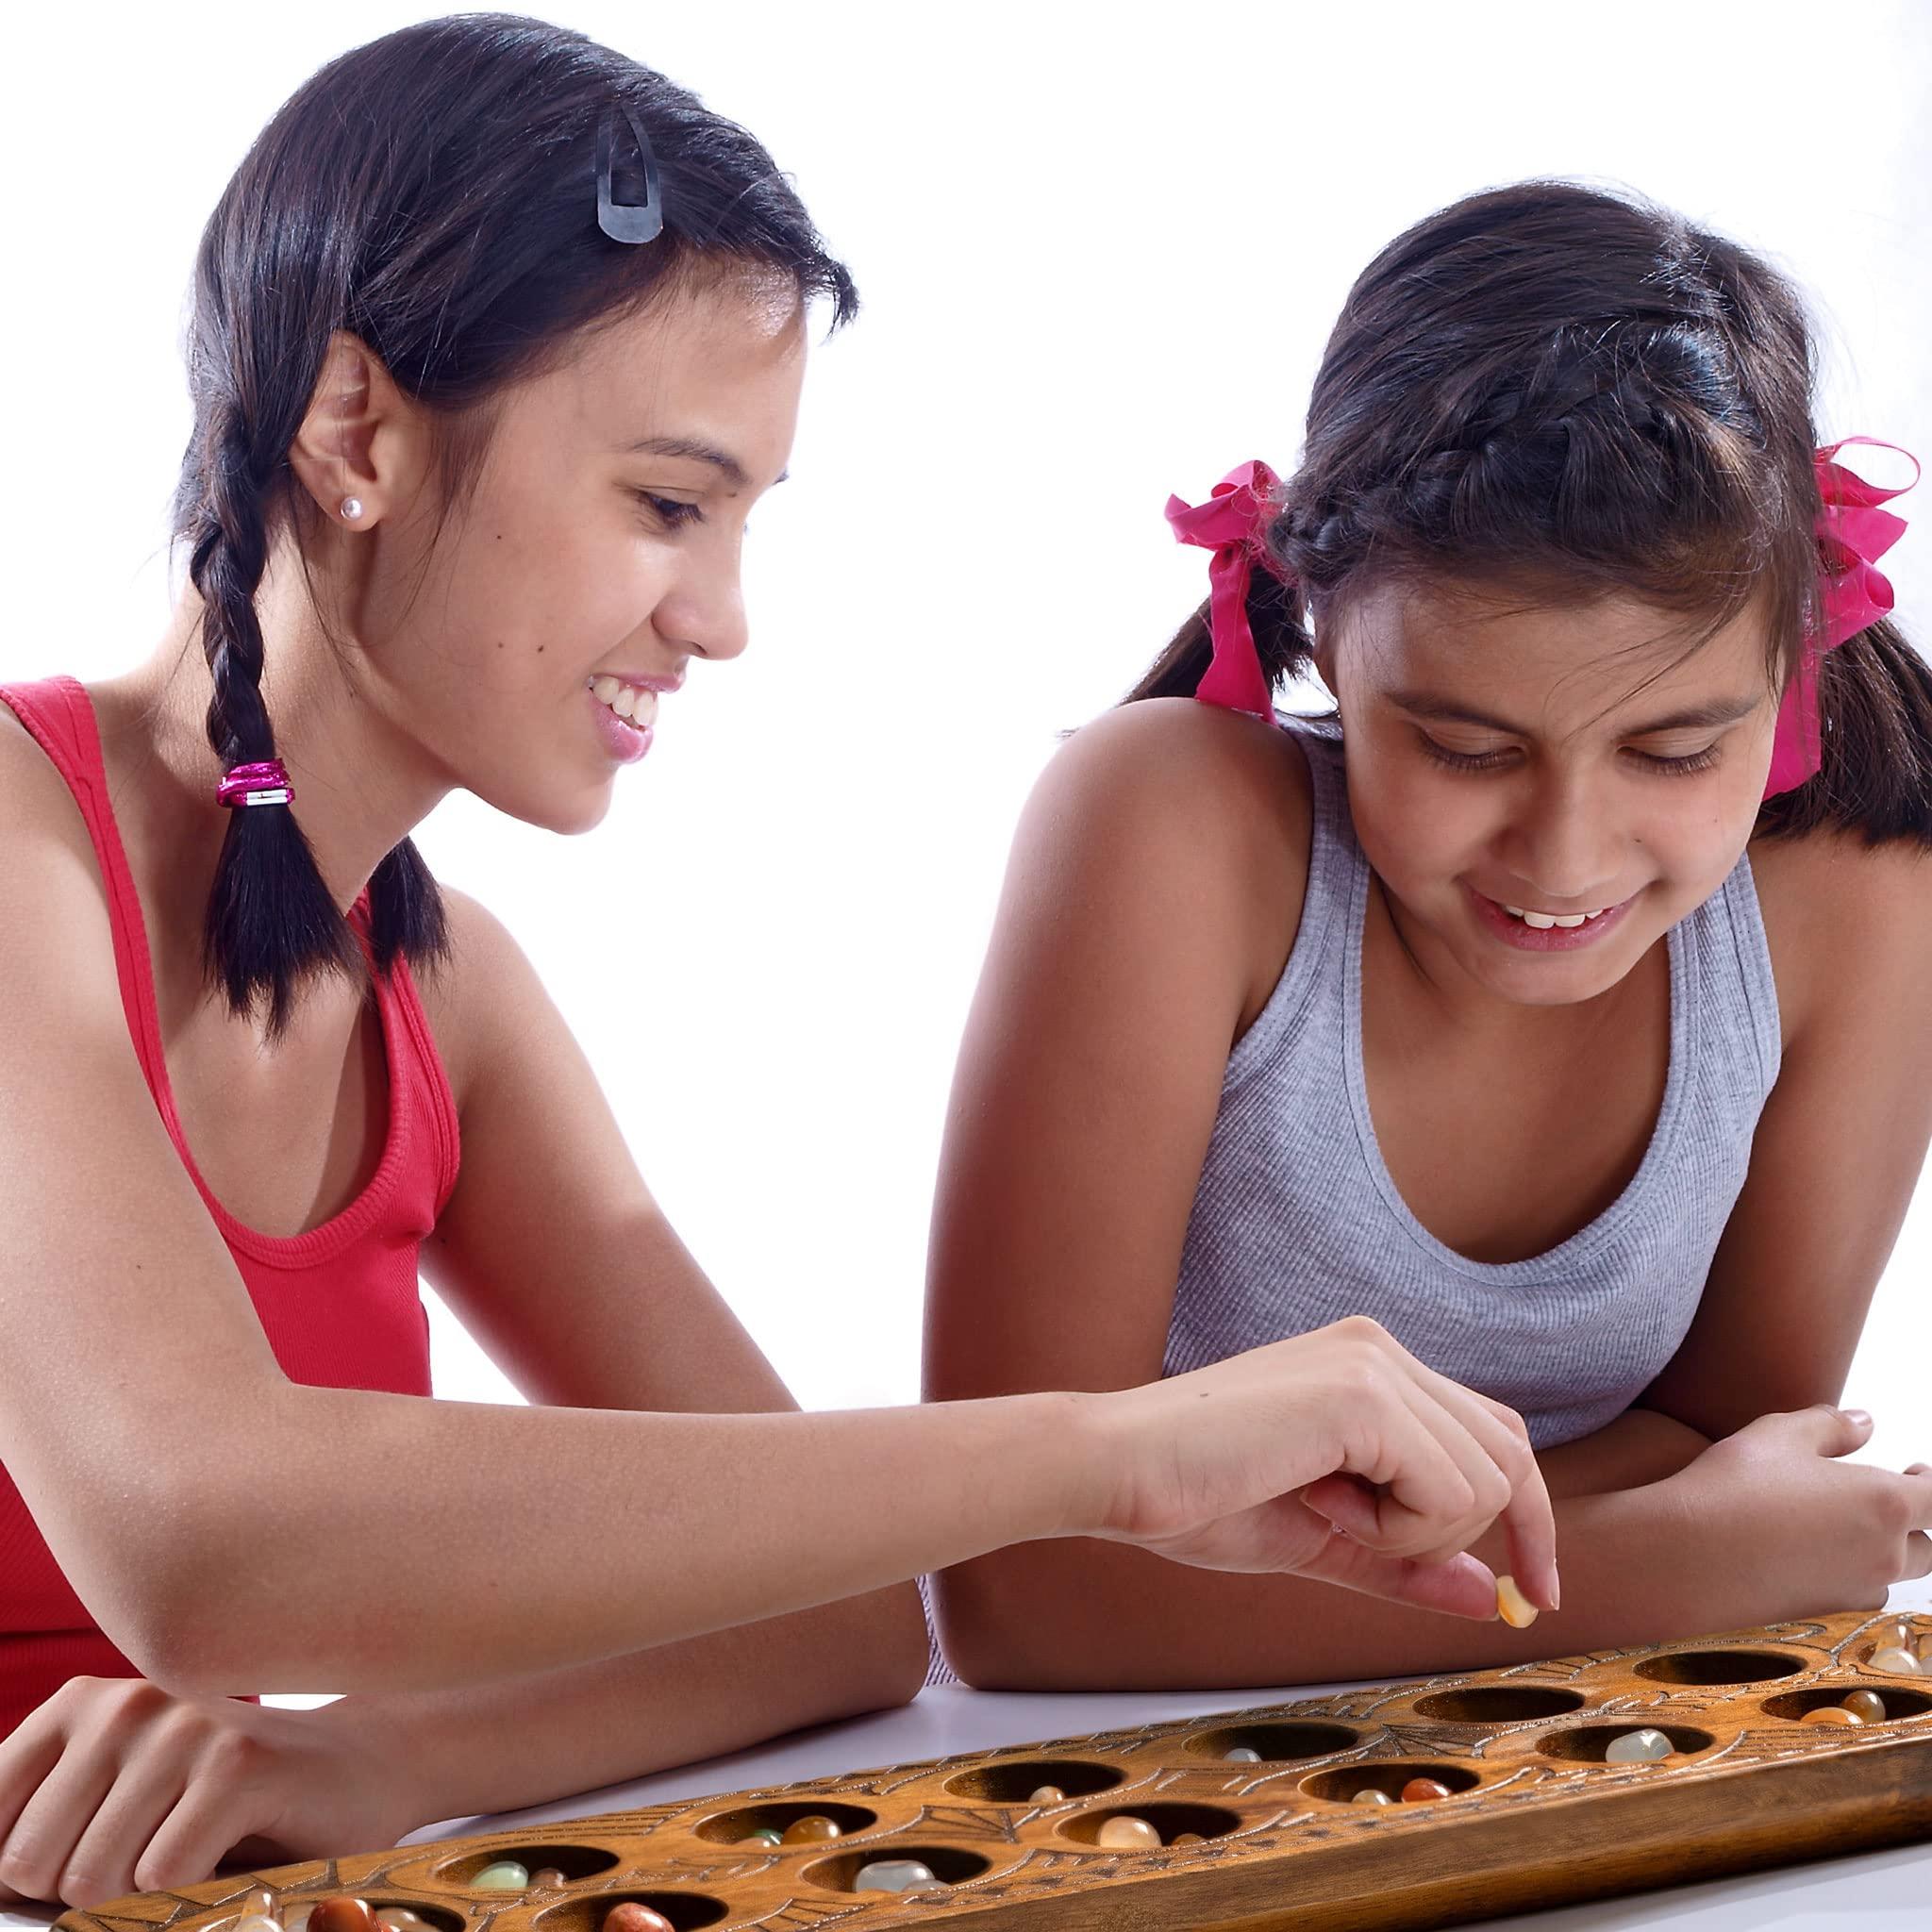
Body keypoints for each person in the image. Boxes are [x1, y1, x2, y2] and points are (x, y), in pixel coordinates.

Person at [0, 16, 1556, 1911]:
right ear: (357, 429)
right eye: (667, 501)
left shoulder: (447, 996)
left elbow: (836, 1623)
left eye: (744, 520)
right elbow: (199, 1531)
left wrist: (386, 1751)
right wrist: (1112, 1452)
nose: (722, 620)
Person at [923, 179, 1932, 1690]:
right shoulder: (1173, 829)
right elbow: (1019, 1593)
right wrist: (1663, 1560)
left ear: (1796, 659)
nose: (1565, 857)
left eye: (1673, 753)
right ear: (1322, 627)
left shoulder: (1864, 903)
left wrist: (1247, 1551)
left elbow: (1747, 1454)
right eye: (1465, 748)